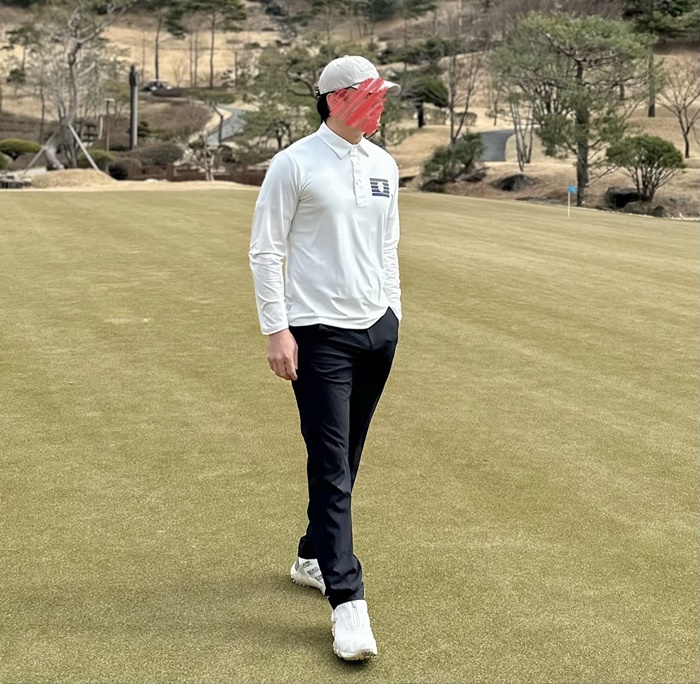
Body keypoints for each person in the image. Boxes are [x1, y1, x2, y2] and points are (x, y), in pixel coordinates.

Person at [249, 55, 402, 661]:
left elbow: (387, 247)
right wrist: (276, 330)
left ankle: (313, 556)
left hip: (376, 331)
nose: (381, 104)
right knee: (332, 462)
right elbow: (266, 252)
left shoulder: (384, 164)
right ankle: (348, 602)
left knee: (347, 456)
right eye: (371, 95)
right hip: (317, 335)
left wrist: (392, 315)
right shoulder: (294, 164)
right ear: (337, 99)